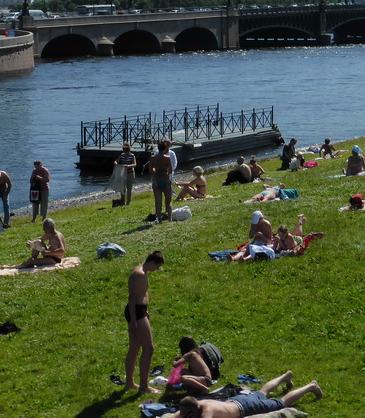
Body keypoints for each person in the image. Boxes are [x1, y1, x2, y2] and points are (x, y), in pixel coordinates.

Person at [171, 370, 322, 417]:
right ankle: (285, 377)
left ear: (194, 410)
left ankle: (310, 386)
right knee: (262, 392)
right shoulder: (196, 404)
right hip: (239, 399)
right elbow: (177, 415)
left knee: (281, 403)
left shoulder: (207, 410)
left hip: (247, 407)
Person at [125, 250, 165, 393]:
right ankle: (144, 386)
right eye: (158, 266)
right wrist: (134, 321)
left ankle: (129, 383)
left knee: (135, 348)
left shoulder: (141, 271)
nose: (157, 270)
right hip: (136, 312)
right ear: (152, 262)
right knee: (149, 348)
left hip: (139, 311)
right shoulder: (140, 274)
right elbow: (132, 298)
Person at [149, 140, 174, 222]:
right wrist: (166, 172)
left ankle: (159, 220)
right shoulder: (167, 158)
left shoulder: (153, 158)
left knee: (158, 202)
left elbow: (151, 170)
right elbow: (170, 170)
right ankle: (170, 218)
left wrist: (155, 170)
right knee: (168, 200)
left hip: (156, 180)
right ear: (165, 148)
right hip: (166, 180)